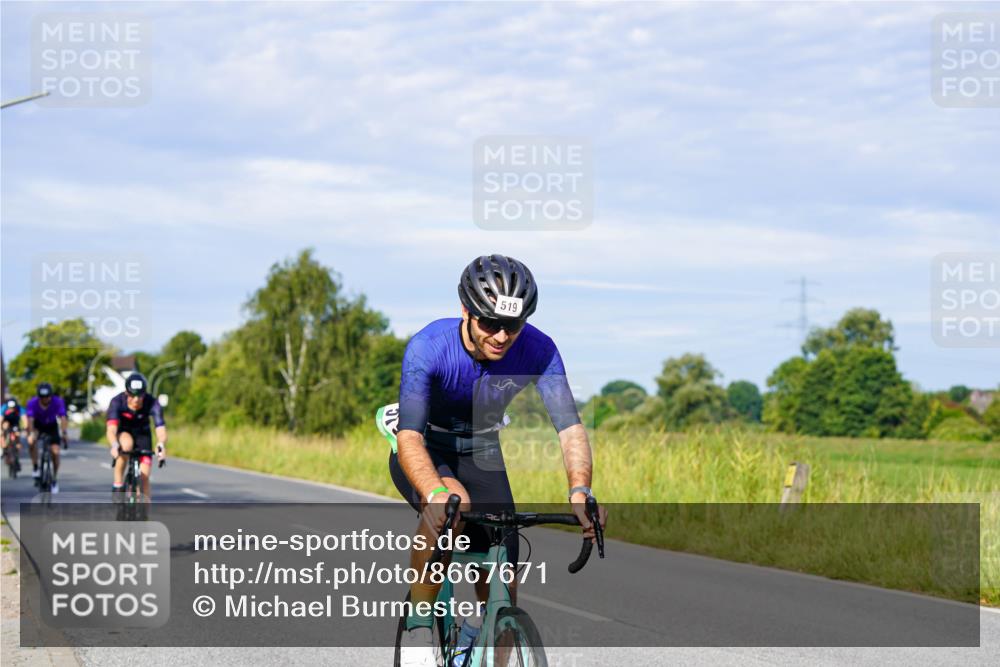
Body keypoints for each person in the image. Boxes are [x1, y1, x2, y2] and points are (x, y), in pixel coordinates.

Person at [391, 254, 607, 666]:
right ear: (465, 312)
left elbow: (570, 429)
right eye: (490, 322)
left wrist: (581, 488)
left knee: (502, 581)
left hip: (482, 450)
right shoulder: (429, 347)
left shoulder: (539, 350)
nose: (502, 336)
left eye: (513, 324)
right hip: (428, 446)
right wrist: (435, 491)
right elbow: (409, 438)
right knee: (452, 507)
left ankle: (488, 638)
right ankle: (420, 623)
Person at [106, 372, 167, 499]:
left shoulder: (152, 403)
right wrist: (114, 445)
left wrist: (161, 444)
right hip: (124, 432)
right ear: (126, 393)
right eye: (132, 396)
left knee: (144, 477)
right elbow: (111, 429)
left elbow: (160, 429)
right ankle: (118, 483)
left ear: (144, 394)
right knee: (126, 446)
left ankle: (144, 515)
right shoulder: (117, 402)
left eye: (140, 396)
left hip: (143, 435)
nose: (136, 399)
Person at [25, 383, 68, 493]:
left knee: (55, 452)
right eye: (42, 397)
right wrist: (30, 434)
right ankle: (35, 467)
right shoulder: (32, 403)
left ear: (51, 395)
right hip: (38, 426)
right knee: (31, 442)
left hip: (52, 426)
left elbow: (63, 417)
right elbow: (30, 420)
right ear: (39, 397)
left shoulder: (58, 401)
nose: (45, 399)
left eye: (47, 397)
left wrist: (64, 433)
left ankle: (54, 478)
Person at [2, 397, 24, 473]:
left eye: (13, 408)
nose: (11, 409)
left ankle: (17, 449)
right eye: (10, 408)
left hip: (15, 423)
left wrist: (24, 428)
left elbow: (24, 419)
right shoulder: (3, 408)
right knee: (4, 429)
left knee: (17, 434)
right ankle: (4, 448)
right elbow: (0, 419)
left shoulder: (19, 409)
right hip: (6, 422)